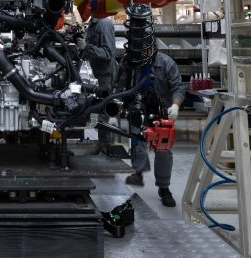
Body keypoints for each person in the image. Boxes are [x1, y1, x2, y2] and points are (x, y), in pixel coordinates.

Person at [125, 51, 184, 208]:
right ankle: (139, 172)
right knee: (137, 141)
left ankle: (164, 187)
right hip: (138, 108)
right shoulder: (131, 61)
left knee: (163, 148)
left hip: (161, 109)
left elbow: (178, 87)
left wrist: (175, 106)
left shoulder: (166, 63)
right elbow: (121, 85)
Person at [76, 15, 116, 152]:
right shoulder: (92, 24)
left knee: (103, 111)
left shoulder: (104, 24)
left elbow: (107, 53)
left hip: (104, 75)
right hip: (95, 73)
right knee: (96, 110)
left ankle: (106, 147)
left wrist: (86, 47)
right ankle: (101, 144)